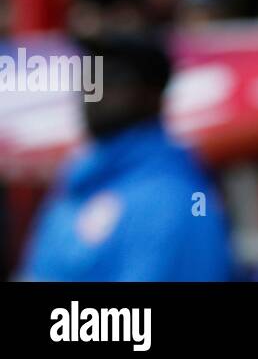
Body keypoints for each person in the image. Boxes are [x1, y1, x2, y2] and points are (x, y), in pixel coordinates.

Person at [17, 34, 235, 281]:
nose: (93, 90)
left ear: (152, 96)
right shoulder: (76, 184)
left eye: (110, 78)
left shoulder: (182, 198)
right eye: (90, 75)